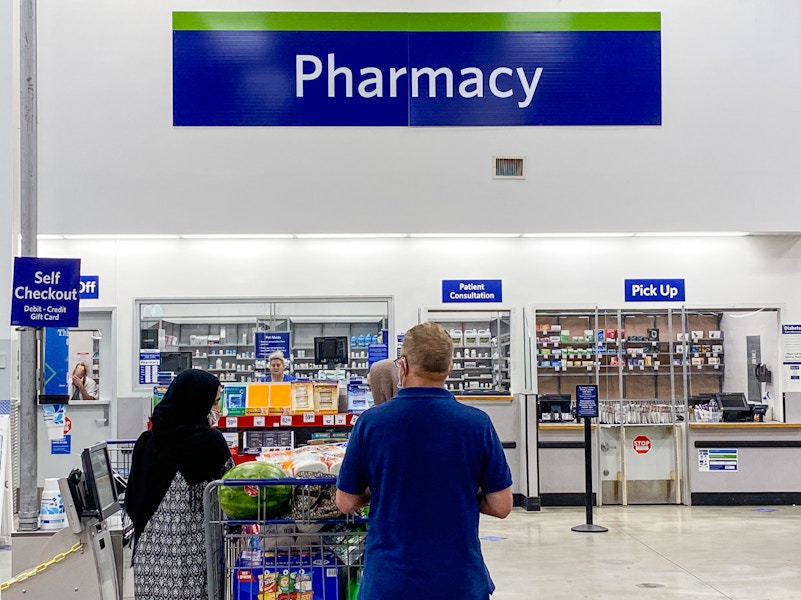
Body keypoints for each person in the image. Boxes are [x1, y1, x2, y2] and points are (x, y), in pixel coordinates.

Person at [336, 322, 513, 600]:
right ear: (449, 368)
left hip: (390, 581)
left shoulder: (371, 423)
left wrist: (382, 488)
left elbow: (345, 501)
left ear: (403, 367)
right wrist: (462, 493)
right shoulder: (477, 424)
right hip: (459, 582)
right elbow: (502, 506)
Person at [125, 369, 233, 600]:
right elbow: (230, 487)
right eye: (213, 403)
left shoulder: (146, 442)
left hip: (150, 553)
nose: (216, 410)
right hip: (194, 552)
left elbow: (133, 499)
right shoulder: (210, 443)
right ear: (197, 401)